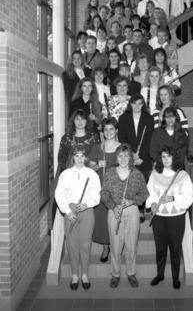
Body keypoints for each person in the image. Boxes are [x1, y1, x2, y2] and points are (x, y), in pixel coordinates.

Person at [145, 146, 193, 289]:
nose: (166, 160)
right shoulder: (155, 174)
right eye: (163, 157)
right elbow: (150, 193)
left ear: (174, 157)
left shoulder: (183, 175)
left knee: (175, 248)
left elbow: (189, 196)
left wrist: (172, 197)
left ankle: (175, 278)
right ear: (160, 159)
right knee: (160, 248)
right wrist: (152, 204)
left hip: (176, 217)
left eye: (169, 156)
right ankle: (160, 275)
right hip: (159, 217)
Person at [100, 143, 149, 288]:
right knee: (115, 246)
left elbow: (145, 194)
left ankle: (131, 272)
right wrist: (112, 206)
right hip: (114, 211)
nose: (123, 159)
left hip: (132, 211)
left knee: (131, 244)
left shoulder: (136, 174)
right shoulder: (109, 173)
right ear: (116, 157)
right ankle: (115, 274)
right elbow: (103, 193)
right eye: (120, 155)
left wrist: (133, 201)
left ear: (130, 158)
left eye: (126, 155)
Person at [55, 146, 101, 290]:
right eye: (77, 156)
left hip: (86, 211)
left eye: (82, 156)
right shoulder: (65, 174)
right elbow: (59, 194)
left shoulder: (92, 173)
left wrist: (87, 204)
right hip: (70, 212)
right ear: (72, 158)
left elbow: (96, 194)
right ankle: (75, 275)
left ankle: (85, 274)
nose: (80, 159)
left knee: (85, 244)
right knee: (72, 245)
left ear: (85, 158)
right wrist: (67, 211)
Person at [89, 118, 120, 263]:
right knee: (102, 219)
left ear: (116, 131)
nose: (108, 132)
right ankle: (106, 246)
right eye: (106, 129)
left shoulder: (122, 148)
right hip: (100, 189)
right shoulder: (97, 148)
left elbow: (129, 167)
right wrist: (96, 166)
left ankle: (117, 246)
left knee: (115, 219)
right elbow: (89, 167)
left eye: (111, 129)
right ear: (102, 132)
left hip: (116, 189)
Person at [118, 94, 154, 183]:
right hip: (128, 159)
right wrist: (132, 154)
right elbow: (122, 138)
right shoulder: (123, 118)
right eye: (134, 103)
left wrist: (141, 157)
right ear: (130, 104)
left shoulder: (149, 118)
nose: (136, 106)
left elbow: (150, 140)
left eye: (139, 103)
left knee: (143, 188)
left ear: (143, 105)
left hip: (144, 160)